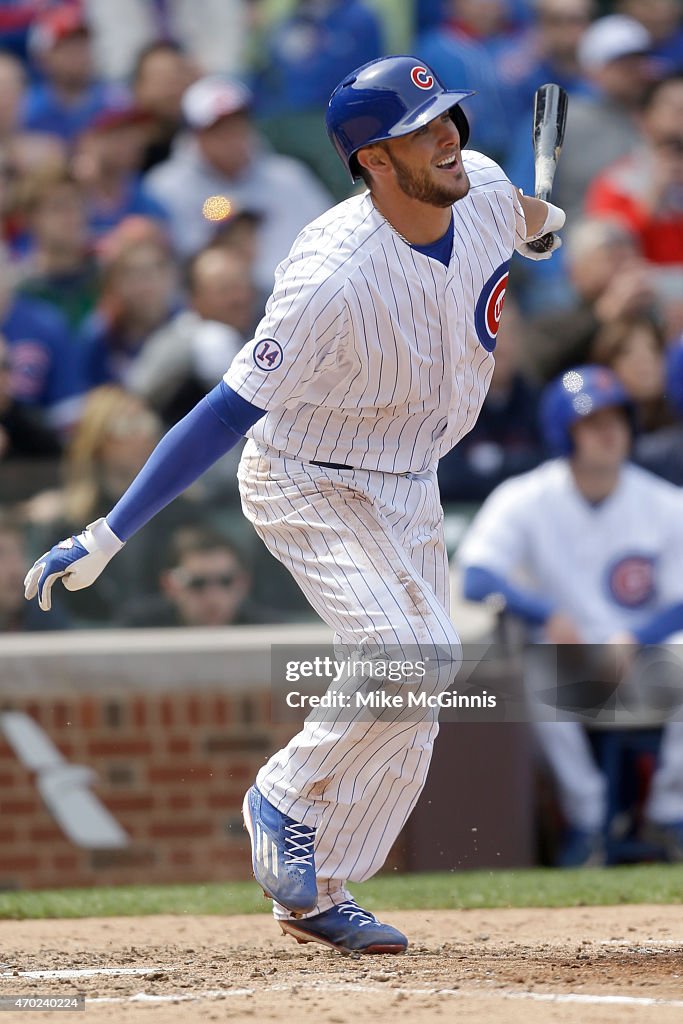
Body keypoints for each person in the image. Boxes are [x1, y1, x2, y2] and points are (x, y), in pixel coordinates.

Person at [23, 55, 565, 954]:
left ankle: (315, 889)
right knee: (410, 651)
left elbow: (527, 218)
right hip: (307, 474)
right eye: (422, 130)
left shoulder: (483, 187)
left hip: (408, 474)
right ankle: (280, 798)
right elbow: (224, 412)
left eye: (450, 119)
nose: (449, 137)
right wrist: (109, 532)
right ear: (373, 162)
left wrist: (540, 228)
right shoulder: (329, 274)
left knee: (420, 692)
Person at [458, 365, 683, 866]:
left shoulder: (664, 503)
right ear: (564, 432)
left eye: (616, 419)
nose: (609, 432)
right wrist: (546, 609)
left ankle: (671, 814)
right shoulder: (527, 497)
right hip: (571, 664)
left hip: (646, 662)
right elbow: (476, 576)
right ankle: (588, 823)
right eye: (592, 422)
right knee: (539, 656)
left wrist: (637, 635)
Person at [144, 74, 334, 292]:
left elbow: (330, 241)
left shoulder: (289, 177)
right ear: (196, 135)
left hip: (297, 301)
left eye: (238, 124)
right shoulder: (166, 188)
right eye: (218, 128)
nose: (232, 136)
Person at [128, 245, 255, 426]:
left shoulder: (264, 332)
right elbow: (135, 399)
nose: (238, 298)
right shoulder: (175, 340)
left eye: (243, 287)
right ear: (194, 298)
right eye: (225, 290)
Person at [585, 75, 683, 268]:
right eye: (673, 108)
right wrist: (652, 195)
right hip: (647, 285)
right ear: (643, 118)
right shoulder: (617, 182)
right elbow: (605, 253)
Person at [121, 524, 267, 628]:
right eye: (197, 583)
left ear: (243, 583)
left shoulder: (269, 632)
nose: (213, 597)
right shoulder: (139, 630)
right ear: (170, 585)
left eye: (226, 581)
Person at [15, 166, 99, 331]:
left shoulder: (106, 280)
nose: (71, 216)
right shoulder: (18, 292)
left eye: (78, 205)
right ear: (31, 218)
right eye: (58, 207)